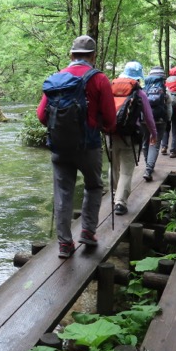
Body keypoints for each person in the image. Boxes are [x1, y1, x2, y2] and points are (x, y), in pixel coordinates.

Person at [37, 35, 116, 259]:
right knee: (93, 186)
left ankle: (64, 244)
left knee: (63, 193)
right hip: (88, 145)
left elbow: (42, 115)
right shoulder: (99, 79)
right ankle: (88, 232)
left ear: (71, 55)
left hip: (59, 147)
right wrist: (105, 127)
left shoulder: (57, 78)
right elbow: (110, 118)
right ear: (93, 56)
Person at [108, 61, 157, 216]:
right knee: (126, 171)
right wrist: (154, 134)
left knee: (113, 166)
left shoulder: (111, 87)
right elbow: (149, 117)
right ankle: (120, 203)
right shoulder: (139, 93)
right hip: (130, 135)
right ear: (138, 77)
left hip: (111, 133)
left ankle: (114, 194)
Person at [141, 65, 168, 181]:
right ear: (163, 77)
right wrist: (167, 119)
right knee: (155, 144)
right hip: (159, 119)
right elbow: (170, 108)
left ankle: (148, 165)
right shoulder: (165, 89)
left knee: (145, 143)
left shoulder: (143, 88)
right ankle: (148, 169)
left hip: (144, 119)